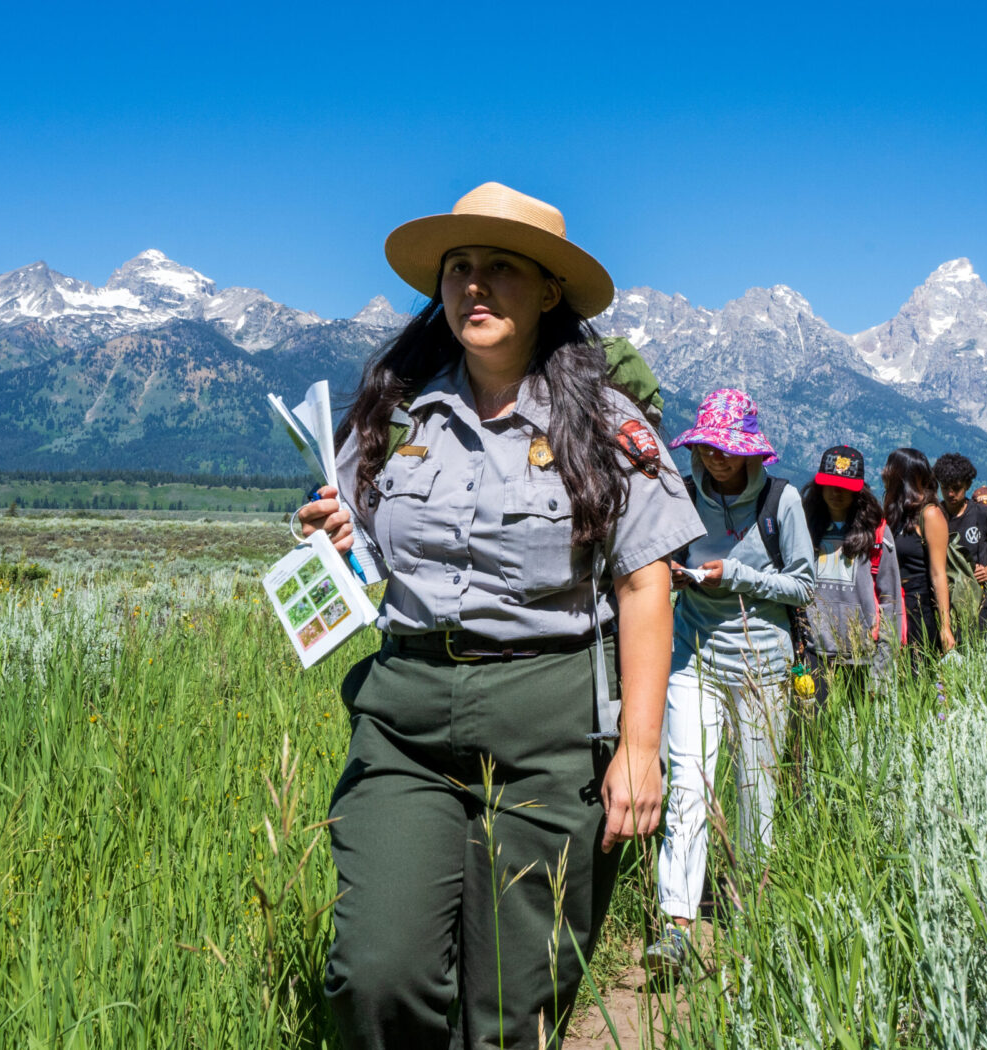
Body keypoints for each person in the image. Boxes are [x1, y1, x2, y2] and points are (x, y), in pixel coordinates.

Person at [296, 181, 706, 1049]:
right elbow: (361, 547)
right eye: (459, 269)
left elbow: (644, 584)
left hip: (548, 731)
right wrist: (333, 536)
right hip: (404, 720)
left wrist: (638, 749)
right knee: (375, 975)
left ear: (550, 290)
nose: (474, 287)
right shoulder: (388, 411)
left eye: (500, 268)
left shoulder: (607, 423)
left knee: (511, 1009)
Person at [648, 388, 815, 974]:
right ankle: (677, 924)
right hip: (692, 657)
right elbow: (660, 555)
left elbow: (804, 585)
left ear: (748, 451)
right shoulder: (684, 494)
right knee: (688, 785)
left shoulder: (782, 501)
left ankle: (749, 910)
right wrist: (671, 573)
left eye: (726, 448)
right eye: (707, 447)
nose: (716, 458)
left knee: (755, 792)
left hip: (762, 666)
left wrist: (739, 575)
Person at [800, 445, 904, 706]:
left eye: (845, 487)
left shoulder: (877, 534)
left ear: (859, 490)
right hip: (813, 653)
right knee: (809, 735)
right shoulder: (803, 528)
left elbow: (891, 602)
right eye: (830, 484)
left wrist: (881, 669)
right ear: (819, 486)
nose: (837, 492)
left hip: (861, 657)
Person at [882, 448, 955, 659]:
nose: (883, 472)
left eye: (889, 467)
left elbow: (938, 574)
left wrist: (945, 626)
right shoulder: (896, 514)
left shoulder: (930, 514)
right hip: (894, 602)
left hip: (919, 608)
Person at [932, 452, 987, 632]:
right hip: (942, 597)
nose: (950, 493)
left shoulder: (982, 514)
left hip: (977, 597)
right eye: (945, 488)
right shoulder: (934, 514)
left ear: (968, 485)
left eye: (956, 488)